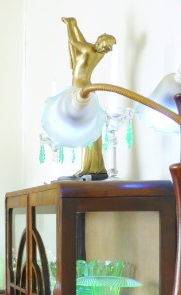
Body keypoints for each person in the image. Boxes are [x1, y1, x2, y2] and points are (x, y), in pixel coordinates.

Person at [62, 17, 116, 179]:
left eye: (100, 38)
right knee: (90, 128)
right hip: (85, 90)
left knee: (88, 128)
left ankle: (91, 167)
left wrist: (70, 25)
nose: (97, 40)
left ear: (101, 42)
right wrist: (76, 25)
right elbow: (84, 43)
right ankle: (92, 166)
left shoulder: (89, 49)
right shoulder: (96, 52)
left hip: (83, 91)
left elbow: (74, 42)